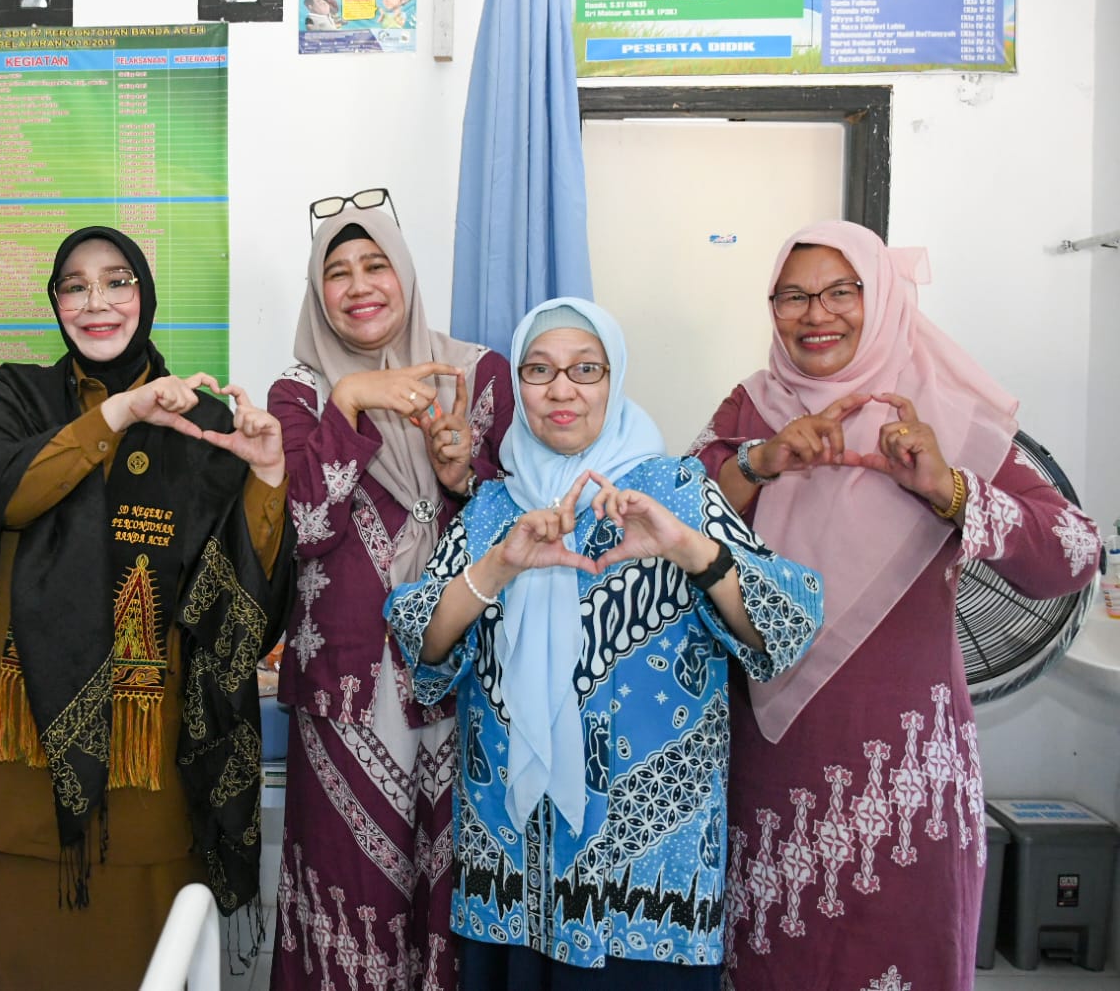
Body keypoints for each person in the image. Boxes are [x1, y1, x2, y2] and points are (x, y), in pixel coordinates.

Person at [688, 220, 1102, 990]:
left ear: (878, 296)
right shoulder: (753, 407)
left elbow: (1074, 555)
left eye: (840, 292)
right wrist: (763, 461)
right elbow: (671, 520)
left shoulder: (948, 415)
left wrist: (947, 488)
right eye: (791, 296)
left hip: (905, 770)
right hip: (772, 758)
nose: (815, 315)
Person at [385, 297, 824, 989]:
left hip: (647, 875)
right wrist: (497, 568)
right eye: (539, 370)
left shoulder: (675, 491)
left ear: (613, 379)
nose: (561, 389)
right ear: (519, 385)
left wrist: (688, 550)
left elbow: (782, 624)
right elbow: (425, 646)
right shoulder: (492, 509)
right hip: (513, 868)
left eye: (584, 369)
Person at [0, 226, 297, 990]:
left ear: (145, 293)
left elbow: (240, 615)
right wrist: (120, 414)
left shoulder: (204, 423)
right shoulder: (19, 395)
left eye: (116, 281)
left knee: (151, 971)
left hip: (150, 766)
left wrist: (267, 478)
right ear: (54, 302)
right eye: (74, 285)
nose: (95, 302)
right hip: (20, 758)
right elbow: (3, 494)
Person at [268, 194, 514, 991]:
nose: (358, 286)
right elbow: (305, 527)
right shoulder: (301, 392)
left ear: (404, 272)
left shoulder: (476, 376)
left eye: (375, 264)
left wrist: (460, 474)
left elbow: (520, 524)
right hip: (344, 685)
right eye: (336, 272)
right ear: (318, 291)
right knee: (347, 882)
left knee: (450, 886)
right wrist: (351, 402)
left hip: (459, 676)